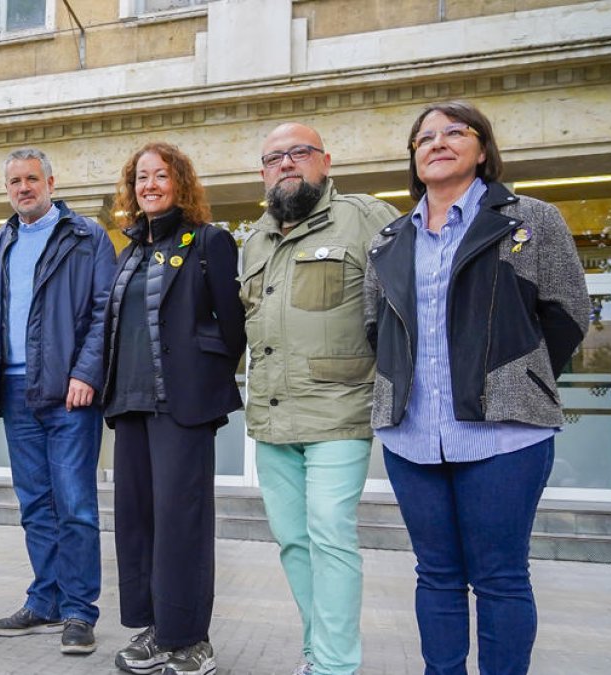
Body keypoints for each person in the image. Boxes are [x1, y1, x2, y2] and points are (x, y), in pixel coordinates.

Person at [364, 100, 590, 675]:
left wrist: (515, 379)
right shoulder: (389, 239)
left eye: (454, 132)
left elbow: (568, 313)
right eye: (424, 138)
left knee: (500, 577)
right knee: (435, 575)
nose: (437, 143)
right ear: (414, 158)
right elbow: (374, 328)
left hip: (505, 437)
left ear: (483, 149)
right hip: (412, 437)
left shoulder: (530, 220)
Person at [241, 124, 399, 675]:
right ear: (263, 173)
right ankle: (317, 653)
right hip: (273, 417)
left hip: (340, 408)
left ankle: (335, 666)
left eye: (299, 153)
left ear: (325, 162)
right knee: (293, 542)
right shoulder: (255, 241)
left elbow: (405, 305)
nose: (286, 163)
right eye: (274, 158)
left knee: (329, 533)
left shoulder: (366, 218)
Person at [104, 141, 245, 675]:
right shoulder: (129, 251)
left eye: (161, 175)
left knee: (181, 523)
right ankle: (156, 628)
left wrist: (201, 373)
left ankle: (190, 640)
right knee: (137, 523)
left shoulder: (207, 240)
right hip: (130, 402)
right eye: (141, 177)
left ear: (179, 182)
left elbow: (232, 326)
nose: (150, 185)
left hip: (181, 406)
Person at [0, 147, 116, 656]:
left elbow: (104, 311)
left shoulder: (86, 236)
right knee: (35, 504)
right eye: (15, 181)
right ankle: (45, 600)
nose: (23, 188)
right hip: (14, 391)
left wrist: (87, 372)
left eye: (32, 179)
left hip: (68, 391)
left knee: (75, 505)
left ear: (51, 183)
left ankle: (79, 610)